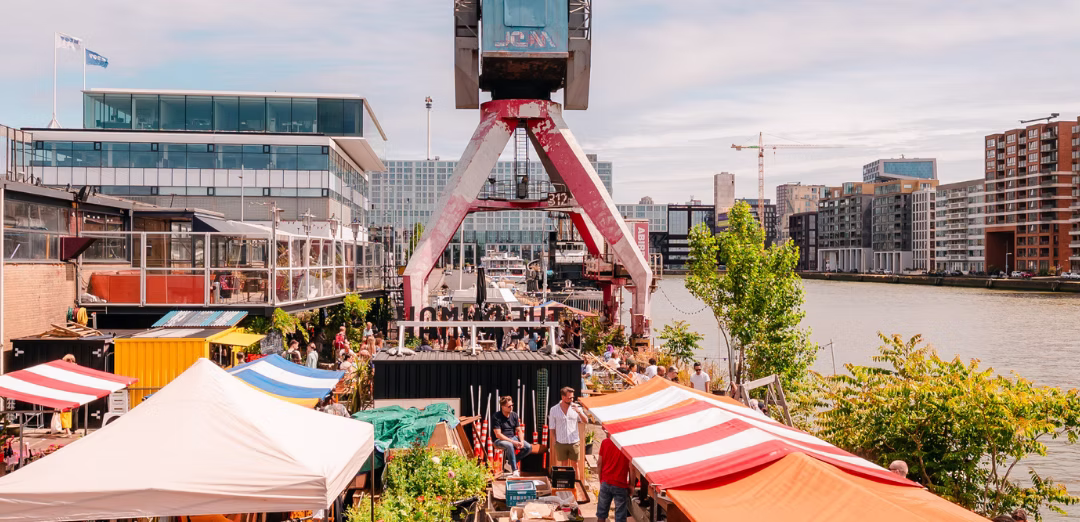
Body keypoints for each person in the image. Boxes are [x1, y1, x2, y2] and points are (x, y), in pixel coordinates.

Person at [493, 396, 532, 477]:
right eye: (509, 406)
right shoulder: (497, 416)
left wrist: (521, 441)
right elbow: (498, 434)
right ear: (503, 407)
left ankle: (510, 463)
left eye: (512, 405)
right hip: (499, 440)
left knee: (528, 447)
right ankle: (514, 470)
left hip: (512, 437)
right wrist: (513, 442)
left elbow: (519, 430)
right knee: (509, 445)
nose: (511, 408)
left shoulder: (514, 415)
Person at [596, 432, 631, 522]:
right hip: (620, 484)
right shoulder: (626, 445)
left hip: (606, 481)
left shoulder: (605, 442)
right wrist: (632, 484)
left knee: (601, 514)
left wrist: (601, 480)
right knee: (620, 516)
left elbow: (599, 463)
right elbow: (632, 468)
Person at [548, 387, 586, 469]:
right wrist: (554, 442)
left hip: (574, 441)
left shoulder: (576, 408)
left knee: (575, 465)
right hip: (561, 442)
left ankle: (576, 482)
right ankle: (565, 482)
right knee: (563, 465)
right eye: (569, 398)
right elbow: (552, 427)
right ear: (563, 397)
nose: (572, 400)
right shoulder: (554, 410)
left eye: (572, 397)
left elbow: (586, 421)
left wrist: (579, 412)